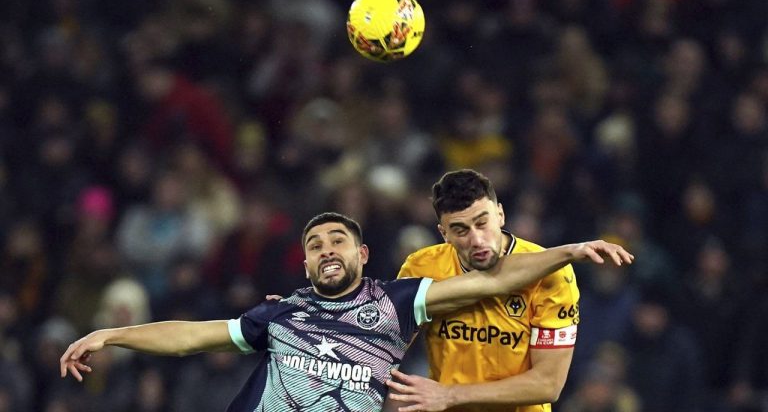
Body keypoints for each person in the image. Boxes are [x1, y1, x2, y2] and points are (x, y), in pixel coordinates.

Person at [60, 212, 632, 412]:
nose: (326, 250)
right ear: (306, 266)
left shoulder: (400, 300)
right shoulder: (281, 315)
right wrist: (112, 334)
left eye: (337, 241)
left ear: (361, 254)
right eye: (314, 245)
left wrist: (570, 252)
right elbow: (190, 337)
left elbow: (498, 277)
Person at [389, 169, 586, 412]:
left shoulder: (551, 273)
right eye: (461, 230)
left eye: (482, 223)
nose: (477, 240)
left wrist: (450, 394)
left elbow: (548, 384)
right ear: (444, 234)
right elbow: (388, 350)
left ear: (500, 215)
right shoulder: (421, 267)